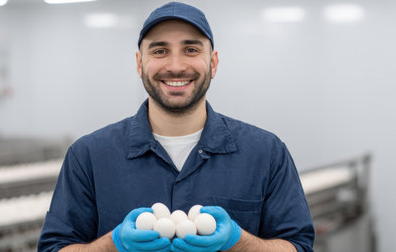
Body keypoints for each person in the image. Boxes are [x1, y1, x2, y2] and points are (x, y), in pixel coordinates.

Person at [38, 2, 314, 252]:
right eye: (160, 51)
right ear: (139, 63)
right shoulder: (89, 156)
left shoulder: (265, 153)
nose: (176, 65)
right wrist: (113, 244)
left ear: (213, 62)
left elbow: (298, 247)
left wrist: (238, 242)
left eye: (191, 49)